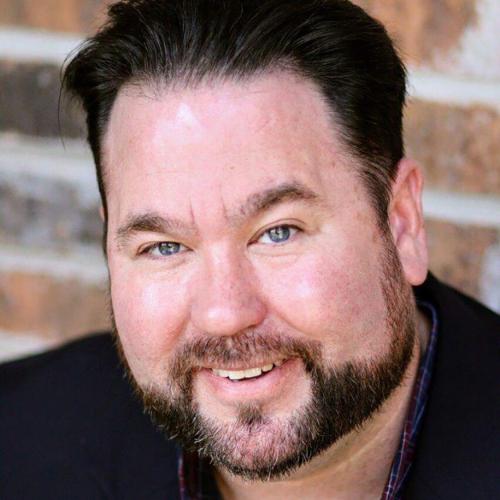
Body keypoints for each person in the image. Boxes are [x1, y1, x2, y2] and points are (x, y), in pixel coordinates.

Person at [1, 1, 498, 498]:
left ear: (402, 222)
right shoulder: (17, 441)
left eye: (278, 232)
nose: (224, 315)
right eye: (165, 246)